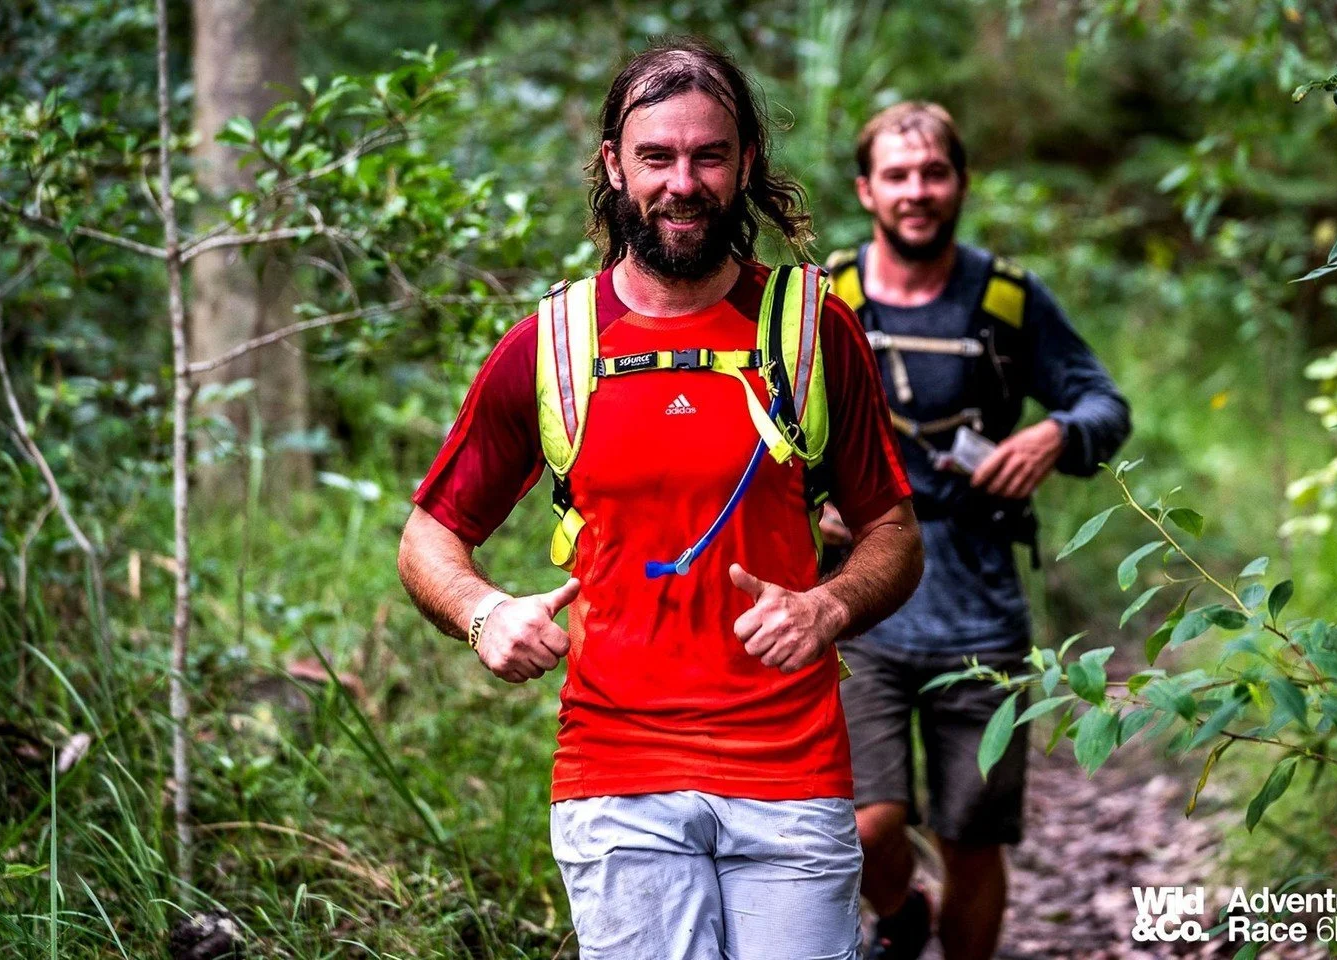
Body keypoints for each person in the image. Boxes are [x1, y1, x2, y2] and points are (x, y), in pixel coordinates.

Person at [397, 38, 924, 960]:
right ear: (614, 166)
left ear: (745, 162)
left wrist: (827, 605)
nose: (683, 182)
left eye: (708, 155)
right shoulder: (553, 344)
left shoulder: (807, 329)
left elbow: (892, 529)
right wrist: (483, 615)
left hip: (790, 770)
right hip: (615, 773)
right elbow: (430, 534)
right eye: (656, 157)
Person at [825, 102, 1131, 960]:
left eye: (932, 174)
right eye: (897, 176)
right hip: (859, 609)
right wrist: (799, 498)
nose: (915, 192)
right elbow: (758, 430)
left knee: (970, 836)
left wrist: (1053, 433)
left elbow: (1104, 403)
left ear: (958, 182)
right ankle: (898, 917)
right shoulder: (826, 301)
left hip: (981, 618)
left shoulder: (1005, 298)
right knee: (863, 823)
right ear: (866, 189)